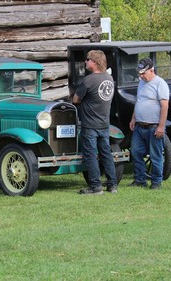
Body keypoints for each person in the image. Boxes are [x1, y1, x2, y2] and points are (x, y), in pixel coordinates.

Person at [72, 50, 117, 195]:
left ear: (95, 62)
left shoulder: (89, 80)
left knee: (90, 155)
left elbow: (75, 100)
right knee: (106, 154)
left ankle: (95, 186)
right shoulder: (108, 78)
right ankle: (112, 184)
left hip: (90, 124)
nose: (85, 62)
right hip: (104, 122)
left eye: (88, 59)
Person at [129, 58, 169, 189]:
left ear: (151, 70)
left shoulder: (160, 83)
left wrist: (161, 126)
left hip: (154, 127)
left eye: (143, 73)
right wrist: (133, 118)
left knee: (155, 156)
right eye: (139, 73)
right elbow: (139, 101)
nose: (141, 76)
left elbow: (164, 106)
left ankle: (156, 182)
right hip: (140, 125)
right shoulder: (141, 83)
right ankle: (140, 179)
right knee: (135, 152)